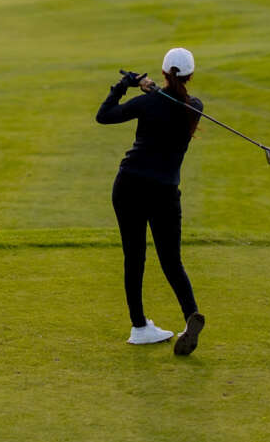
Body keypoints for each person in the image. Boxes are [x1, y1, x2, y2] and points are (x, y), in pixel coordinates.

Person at [96, 46, 205, 355]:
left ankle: (139, 327)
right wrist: (154, 90)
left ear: (164, 72)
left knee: (134, 257)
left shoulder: (147, 102)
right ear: (190, 76)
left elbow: (103, 116)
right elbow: (174, 101)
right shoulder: (195, 107)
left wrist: (125, 85)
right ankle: (190, 314)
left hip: (129, 185)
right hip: (164, 192)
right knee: (171, 260)